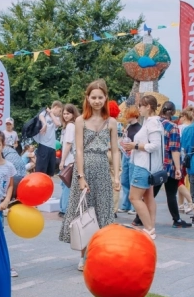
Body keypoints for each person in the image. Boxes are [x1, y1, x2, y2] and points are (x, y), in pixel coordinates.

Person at [59, 80, 120, 271]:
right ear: (87, 98)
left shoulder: (111, 122)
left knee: (103, 211)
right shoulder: (80, 121)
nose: (97, 101)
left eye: (100, 97)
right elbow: (78, 150)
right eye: (93, 97)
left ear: (106, 98)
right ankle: (83, 256)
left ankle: (101, 254)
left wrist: (116, 176)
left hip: (102, 168)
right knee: (84, 213)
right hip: (84, 169)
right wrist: (81, 176)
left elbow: (115, 150)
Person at [121, 94, 164, 240]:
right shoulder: (151, 122)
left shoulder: (152, 123)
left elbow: (155, 145)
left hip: (143, 166)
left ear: (148, 107)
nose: (139, 108)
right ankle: (150, 228)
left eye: (141, 106)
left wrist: (135, 146)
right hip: (146, 165)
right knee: (148, 197)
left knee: (134, 197)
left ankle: (149, 228)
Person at [0, 131, 19, 278]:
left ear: (3, 145)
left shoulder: (9, 166)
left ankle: (5, 265)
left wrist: (6, 200)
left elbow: (10, 185)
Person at [158, 101, 192, 228]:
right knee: (171, 194)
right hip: (169, 165)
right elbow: (174, 149)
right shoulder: (172, 127)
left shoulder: (155, 123)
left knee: (152, 193)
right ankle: (177, 220)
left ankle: (139, 218)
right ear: (172, 112)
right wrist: (178, 168)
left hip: (157, 165)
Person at [117, 106, 141, 214]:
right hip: (125, 155)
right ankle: (125, 205)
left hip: (133, 156)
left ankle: (133, 206)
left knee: (132, 180)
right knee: (124, 180)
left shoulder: (139, 128)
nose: (126, 117)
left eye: (128, 115)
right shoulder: (128, 127)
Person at [58, 104, 80, 216]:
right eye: (64, 114)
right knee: (65, 184)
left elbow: (68, 143)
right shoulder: (71, 125)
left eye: (68, 113)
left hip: (69, 160)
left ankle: (64, 209)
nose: (65, 116)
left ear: (73, 114)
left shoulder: (71, 126)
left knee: (66, 185)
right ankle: (64, 208)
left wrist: (62, 161)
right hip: (71, 159)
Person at [33, 101, 63, 176]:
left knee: (50, 170)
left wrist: (51, 113)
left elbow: (58, 124)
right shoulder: (44, 112)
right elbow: (40, 116)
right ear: (56, 107)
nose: (60, 113)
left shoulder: (56, 118)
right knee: (40, 170)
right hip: (43, 145)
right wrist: (45, 124)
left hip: (52, 147)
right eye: (60, 111)